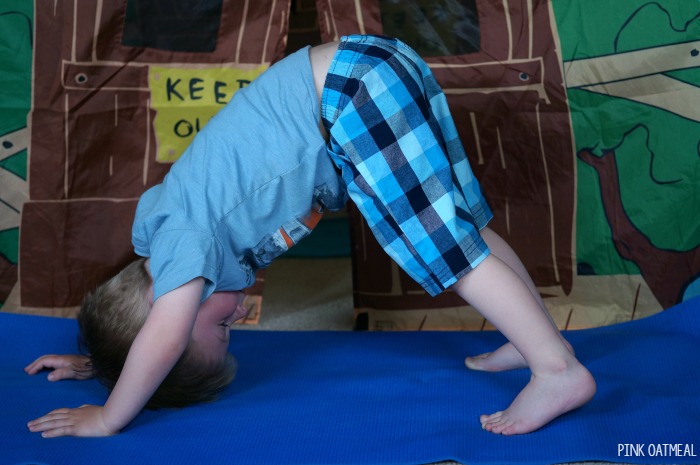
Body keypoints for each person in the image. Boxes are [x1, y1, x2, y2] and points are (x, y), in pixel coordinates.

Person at [25, 35, 595, 438]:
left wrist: (107, 416)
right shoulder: (183, 232)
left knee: (443, 250)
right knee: (464, 228)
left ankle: (556, 371)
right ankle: (536, 341)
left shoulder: (177, 245)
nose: (239, 315)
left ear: (160, 307)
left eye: (221, 324)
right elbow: (149, 335)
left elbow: (162, 340)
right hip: (369, 68)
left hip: (346, 94)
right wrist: (96, 361)